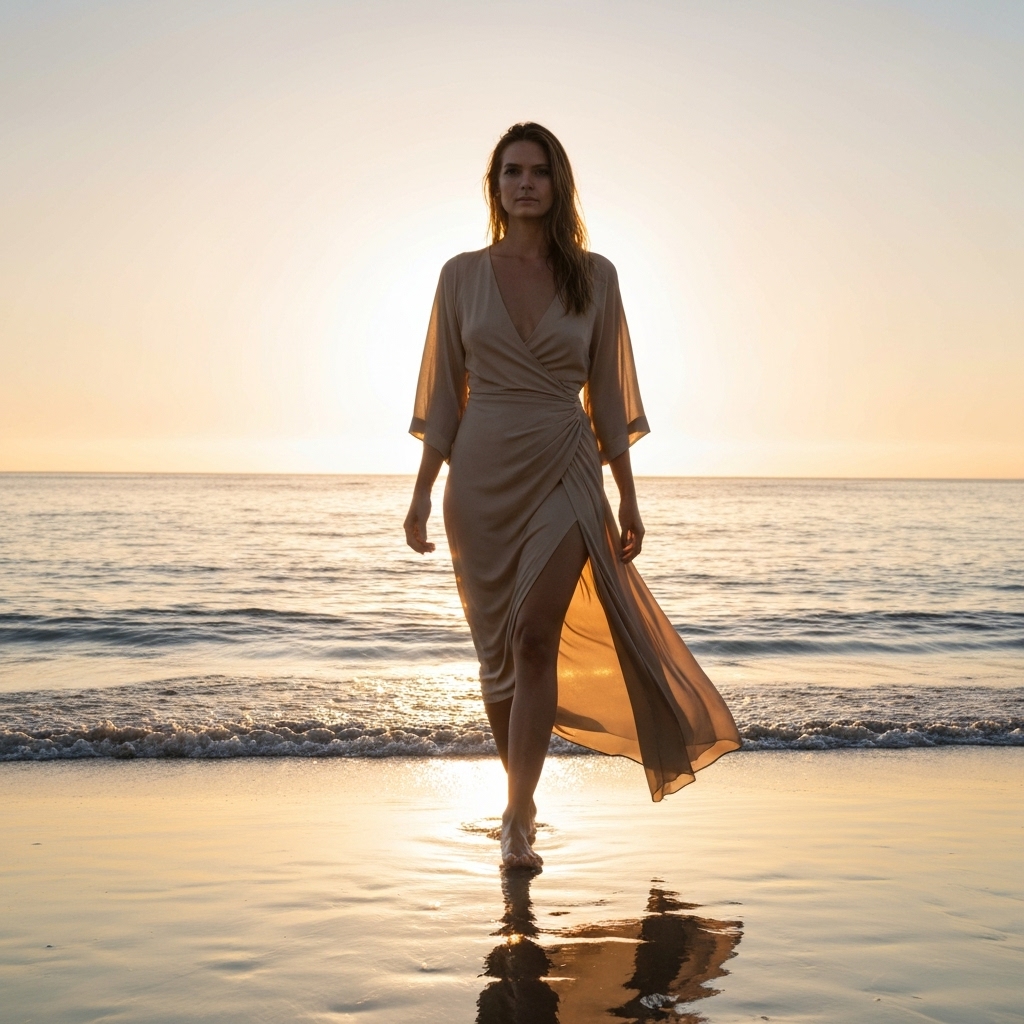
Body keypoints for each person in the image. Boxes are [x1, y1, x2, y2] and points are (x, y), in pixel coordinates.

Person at [404, 123, 740, 871]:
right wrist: (422, 492)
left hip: (565, 467)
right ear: (495, 186)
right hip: (480, 480)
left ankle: (516, 818)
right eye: (511, 171)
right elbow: (445, 396)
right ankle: (518, 798)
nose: (525, 182)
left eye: (539, 171)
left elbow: (610, 399)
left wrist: (629, 496)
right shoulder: (460, 276)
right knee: (498, 659)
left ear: (559, 185)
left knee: (534, 640)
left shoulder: (596, 276)